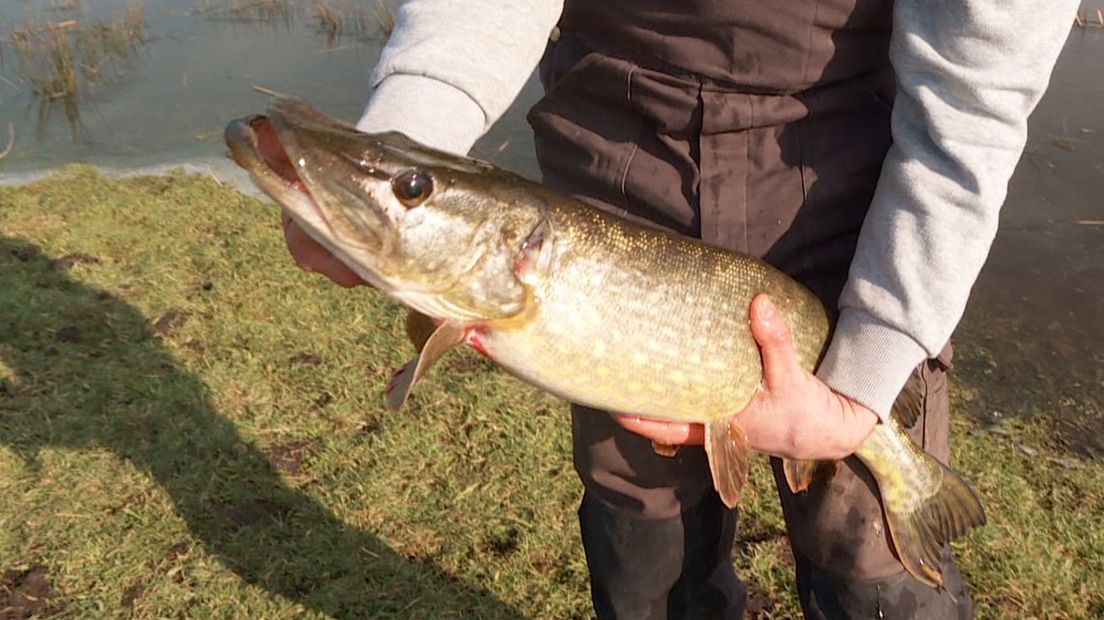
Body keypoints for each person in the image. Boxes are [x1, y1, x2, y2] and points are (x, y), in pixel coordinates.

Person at [283, 1, 1078, 618]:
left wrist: (871, 368)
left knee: (869, 549)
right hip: (618, 204)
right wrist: (411, 134)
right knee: (645, 540)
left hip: (865, 216)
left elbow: (971, 109)